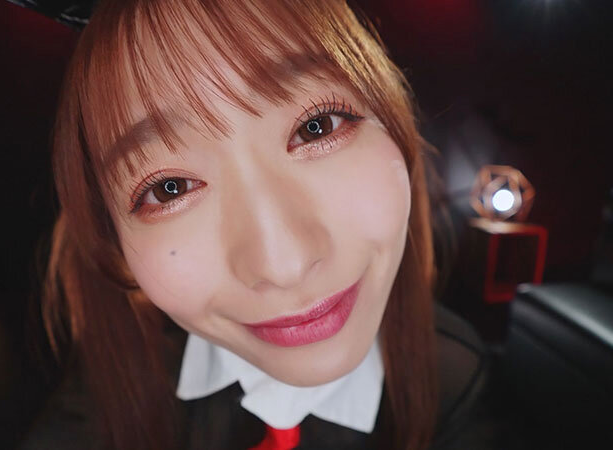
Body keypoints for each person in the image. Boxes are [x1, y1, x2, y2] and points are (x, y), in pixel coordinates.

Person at [29, 1, 492, 449]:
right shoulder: (103, 396)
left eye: (317, 126)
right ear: (114, 244)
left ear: (391, 119)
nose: (284, 266)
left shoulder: (458, 380)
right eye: (170, 188)